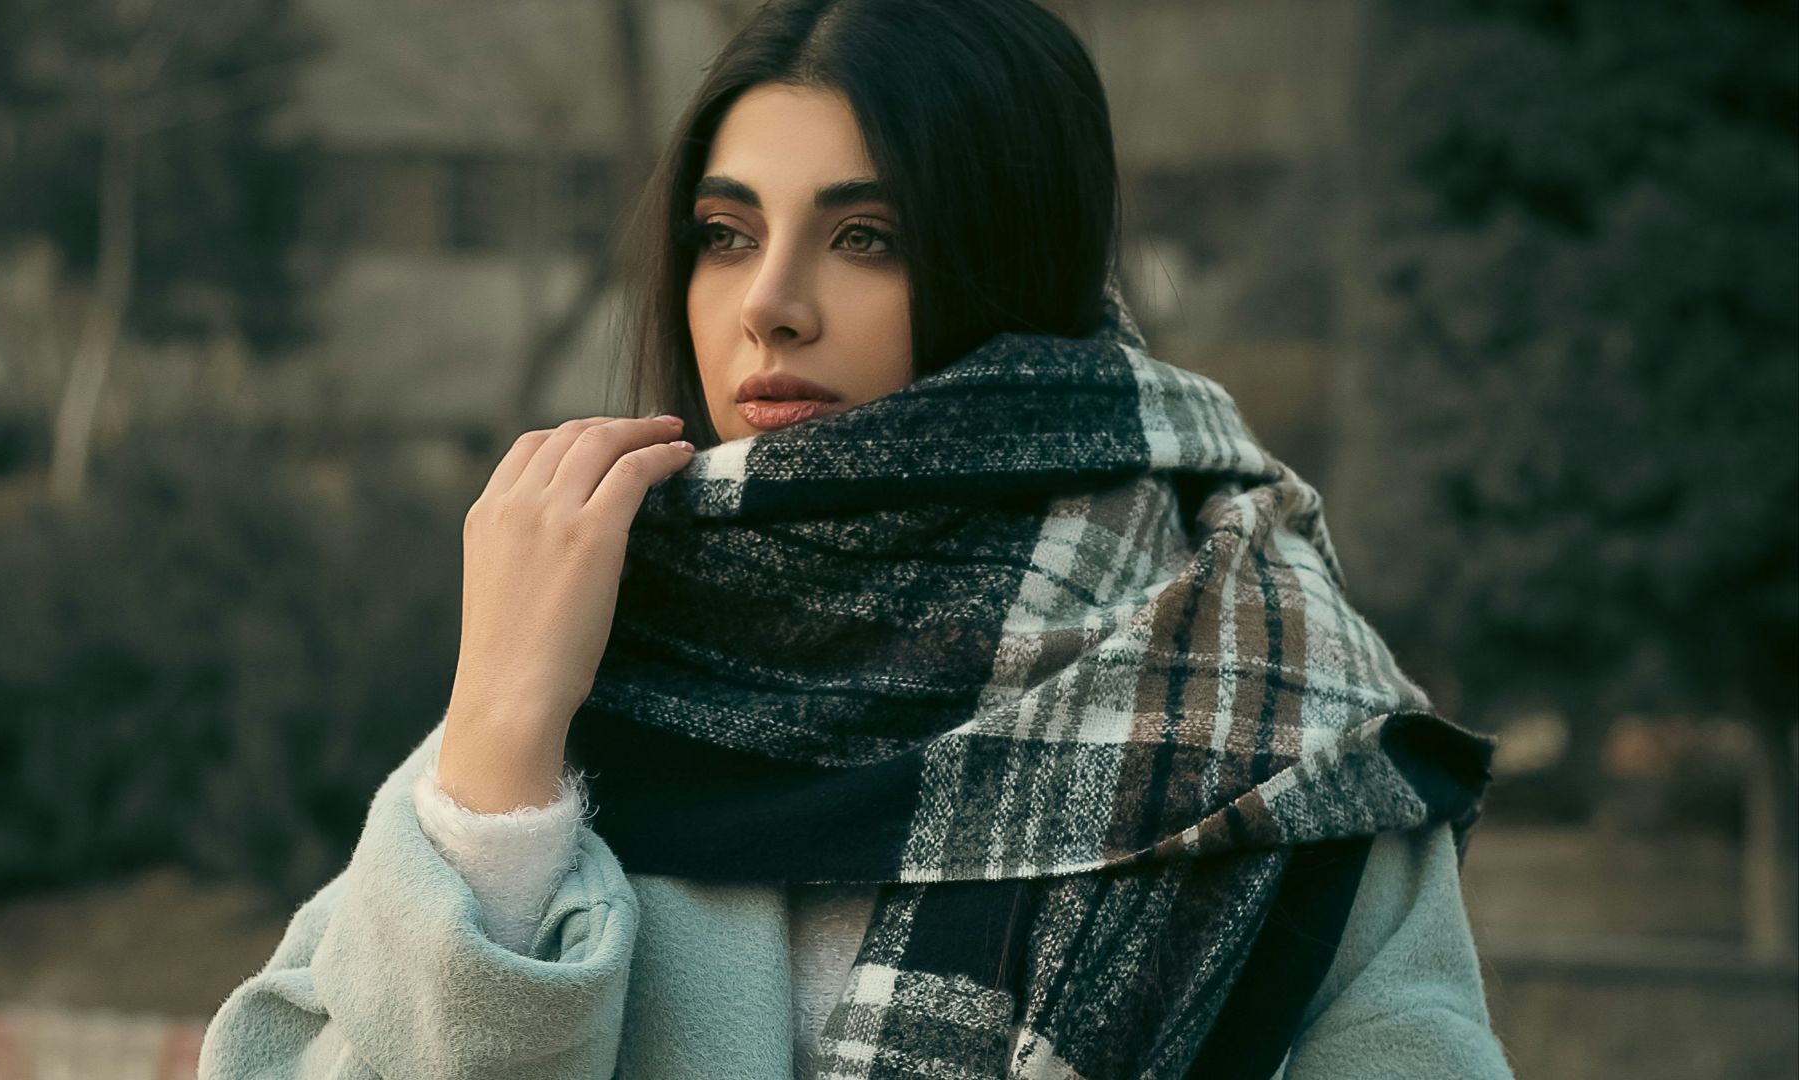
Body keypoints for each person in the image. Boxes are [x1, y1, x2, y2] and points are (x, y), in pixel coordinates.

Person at [198, 1, 1518, 1077]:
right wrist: (495, 740)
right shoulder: (601, 665)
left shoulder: (1271, 705)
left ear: (1003, 256)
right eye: (725, 234)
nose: (768, 304)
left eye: (866, 237)